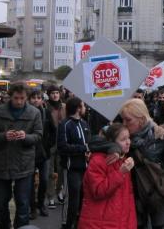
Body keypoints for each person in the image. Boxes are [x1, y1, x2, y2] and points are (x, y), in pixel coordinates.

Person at [0, 82, 43, 229]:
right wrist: (4, 136)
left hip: (24, 164)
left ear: (26, 97)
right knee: (1, 202)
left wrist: (25, 137)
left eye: (22, 98)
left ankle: (21, 227)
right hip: (1, 163)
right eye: (16, 98)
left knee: (23, 202)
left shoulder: (34, 113)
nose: (19, 101)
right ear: (10, 96)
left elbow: (38, 136)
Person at [119, 98, 164, 229]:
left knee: (159, 225)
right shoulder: (123, 137)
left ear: (141, 119)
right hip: (134, 193)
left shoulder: (160, 136)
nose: (124, 124)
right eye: (123, 120)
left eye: (128, 120)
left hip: (156, 192)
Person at [78, 123, 137, 229]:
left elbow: (128, 201)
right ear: (112, 142)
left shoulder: (123, 160)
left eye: (129, 137)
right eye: (123, 139)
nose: (128, 142)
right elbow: (98, 191)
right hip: (99, 223)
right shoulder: (98, 160)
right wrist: (120, 173)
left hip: (118, 222)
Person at [57, 97, 91, 229]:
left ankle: (79, 224)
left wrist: (89, 150)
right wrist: (84, 148)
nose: (85, 108)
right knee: (72, 200)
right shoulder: (65, 124)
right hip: (71, 168)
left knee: (83, 199)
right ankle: (66, 224)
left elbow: (89, 143)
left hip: (85, 167)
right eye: (83, 106)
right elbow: (63, 147)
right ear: (78, 108)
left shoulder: (84, 123)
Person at [28, 89, 52, 218]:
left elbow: (53, 130)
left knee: (44, 180)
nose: (36, 100)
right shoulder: (25, 113)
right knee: (30, 182)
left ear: (42, 100)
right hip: (30, 153)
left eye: (38, 97)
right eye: (33, 97)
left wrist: (48, 144)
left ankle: (41, 203)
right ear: (29, 99)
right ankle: (32, 207)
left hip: (44, 153)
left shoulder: (46, 112)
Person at [45, 85, 66, 208]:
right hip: (50, 143)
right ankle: (51, 196)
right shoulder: (45, 107)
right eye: (52, 93)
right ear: (49, 94)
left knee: (62, 170)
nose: (55, 95)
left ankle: (59, 192)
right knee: (49, 171)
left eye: (57, 92)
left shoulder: (64, 107)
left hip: (62, 143)